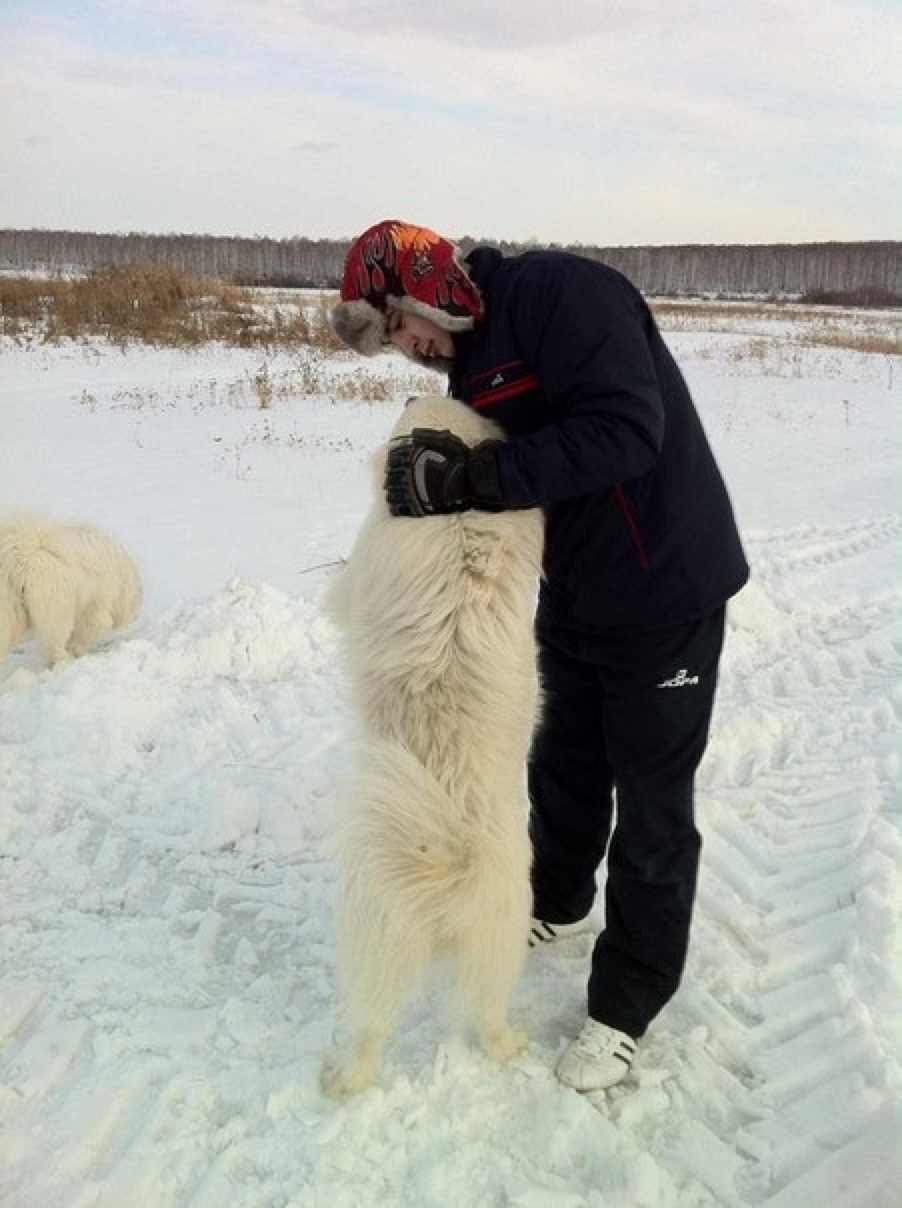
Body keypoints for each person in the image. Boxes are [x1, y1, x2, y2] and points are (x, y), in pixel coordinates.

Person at [330, 219, 749, 1092]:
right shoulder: (469, 358)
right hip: (574, 592)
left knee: (653, 805)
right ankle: (556, 901)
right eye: (398, 345)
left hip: (665, 583)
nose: (409, 351)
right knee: (564, 765)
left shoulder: (564, 295)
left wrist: (482, 478)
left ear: (428, 289)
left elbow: (629, 429)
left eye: (401, 327)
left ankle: (624, 1008)